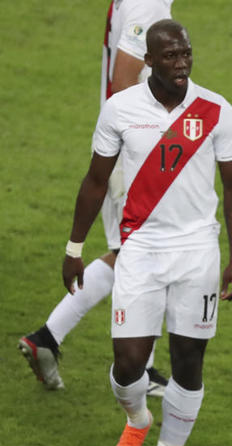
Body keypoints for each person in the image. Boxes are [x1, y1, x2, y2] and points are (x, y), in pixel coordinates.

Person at [61, 19, 232, 446]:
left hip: (197, 249)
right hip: (140, 248)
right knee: (128, 365)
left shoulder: (216, 109)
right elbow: (94, 181)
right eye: (170, 56)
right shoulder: (121, 109)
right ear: (148, 62)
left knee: (188, 359)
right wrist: (74, 248)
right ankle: (138, 416)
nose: (181, 64)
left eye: (186, 54)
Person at [18, 0, 174, 395]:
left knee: (138, 253)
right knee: (147, 254)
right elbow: (123, 83)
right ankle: (51, 338)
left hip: (125, 149)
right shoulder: (147, 2)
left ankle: (53, 341)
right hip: (133, 153)